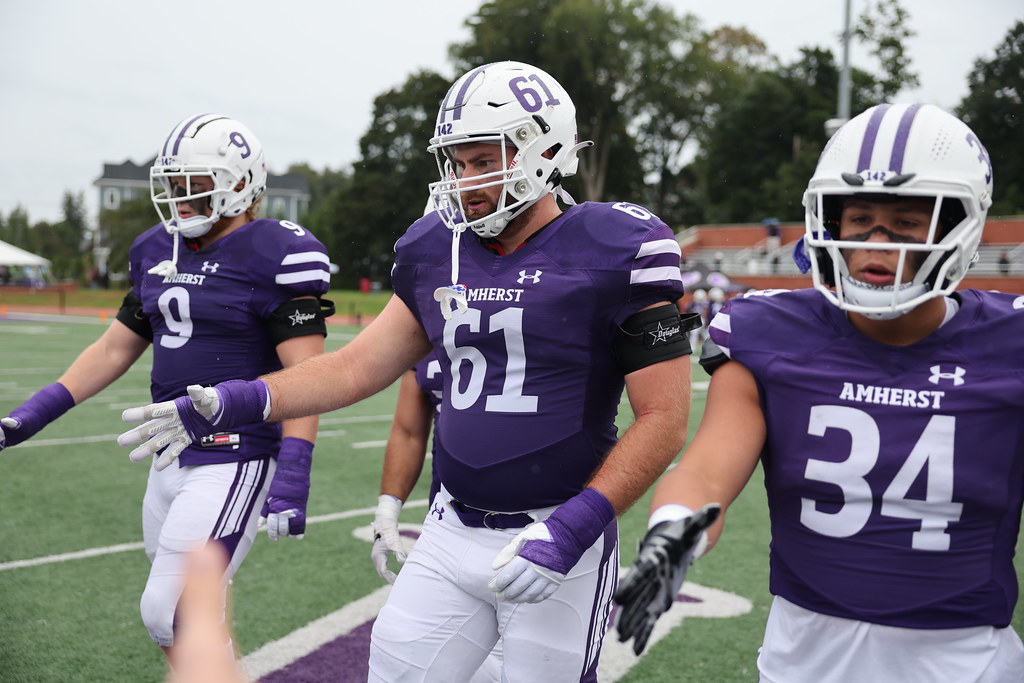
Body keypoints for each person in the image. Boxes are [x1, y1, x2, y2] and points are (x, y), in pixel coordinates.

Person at [118, 61, 698, 682]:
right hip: (448, 529)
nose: (466, 180)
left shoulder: (614, 247)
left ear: (547, 150)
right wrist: (236, 400)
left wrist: (574, 528)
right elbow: (352, 367)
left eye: (485, 160)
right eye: (458, 161)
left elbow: (664, 419)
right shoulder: (434, 248)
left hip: (556, 530)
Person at [614, 103, 1024, 682]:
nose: (879, 241)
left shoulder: (1011, 342)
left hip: (964, 660)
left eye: (907, 222)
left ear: (958, 226)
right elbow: (706, 472)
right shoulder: (769, 331)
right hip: (805, 656)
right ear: (829, 222)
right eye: (859, 218)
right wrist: (672, 534)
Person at [0, 113, 334, 664]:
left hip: (236, 454)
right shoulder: (157, 248)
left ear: (242, 183)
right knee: (189, 618)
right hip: (167, 453)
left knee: (171, 609)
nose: (181, 196)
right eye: (175, 183)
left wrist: (295, 467)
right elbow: (113, 349)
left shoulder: (277, 253)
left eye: (197, 183)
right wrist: (30, 416)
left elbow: (308, 377)